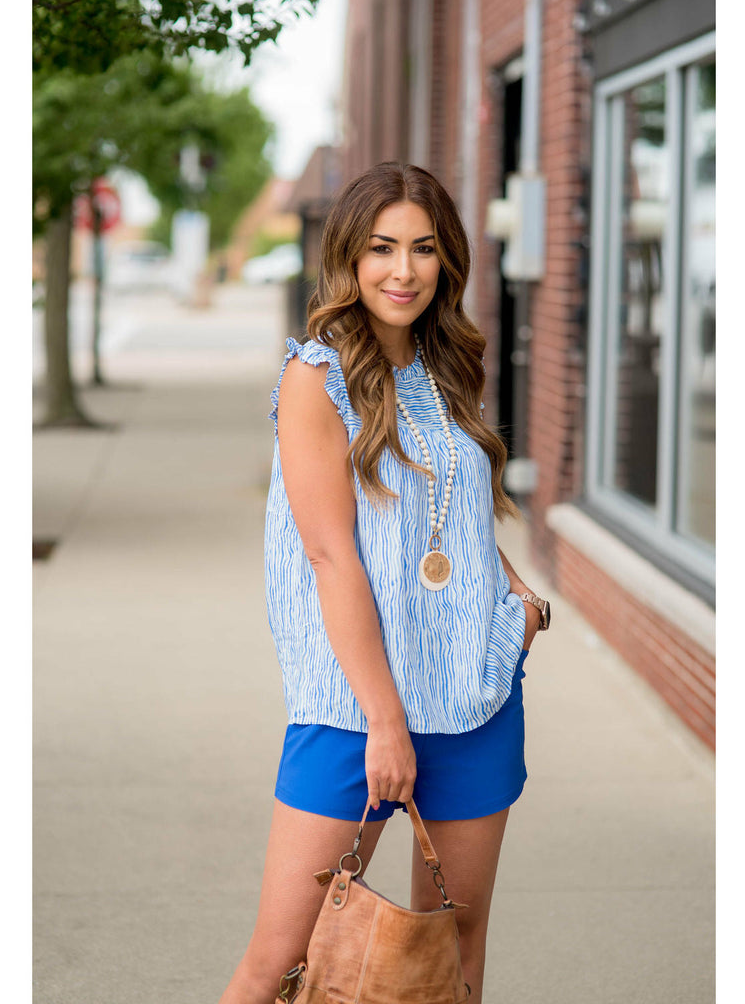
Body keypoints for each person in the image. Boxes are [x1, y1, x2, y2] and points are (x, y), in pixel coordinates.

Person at [218, 162, 549, 1004]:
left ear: (448, 262)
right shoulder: (315, 378)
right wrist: (385, 723)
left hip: (471, 699)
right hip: (354, 713)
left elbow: (456, 510)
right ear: (349, 259)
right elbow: (332, 557)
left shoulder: (447, 368)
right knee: (278, 960)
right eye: (382, 249)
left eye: (424, 249)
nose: (404, 271)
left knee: (454, 957)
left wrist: (518, 598)